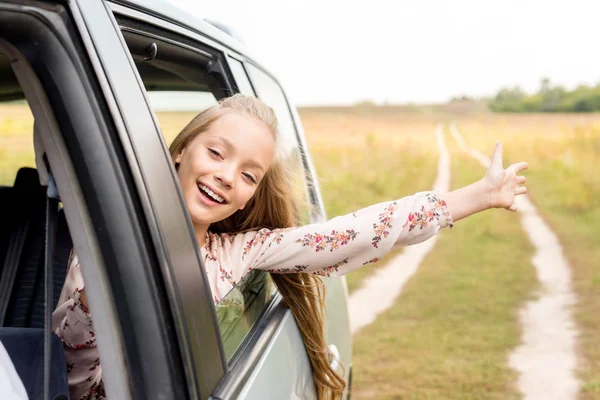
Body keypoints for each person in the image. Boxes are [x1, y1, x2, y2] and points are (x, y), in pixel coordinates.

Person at [53, 94, 528, 400]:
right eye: (217, 153)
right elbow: (71, 349)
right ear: (181, 150)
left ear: (253, 194)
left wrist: (476, 197)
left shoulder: (239, 252)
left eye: (248, 174)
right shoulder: (105, 236)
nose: (225, 176)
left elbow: (353, 231)